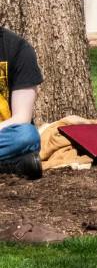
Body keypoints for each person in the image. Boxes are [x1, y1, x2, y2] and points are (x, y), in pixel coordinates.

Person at [0, 22, 44, 179]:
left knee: (27, 136)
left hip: (5, 133)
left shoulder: (19, 49)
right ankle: (9, 166)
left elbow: (21, 117)